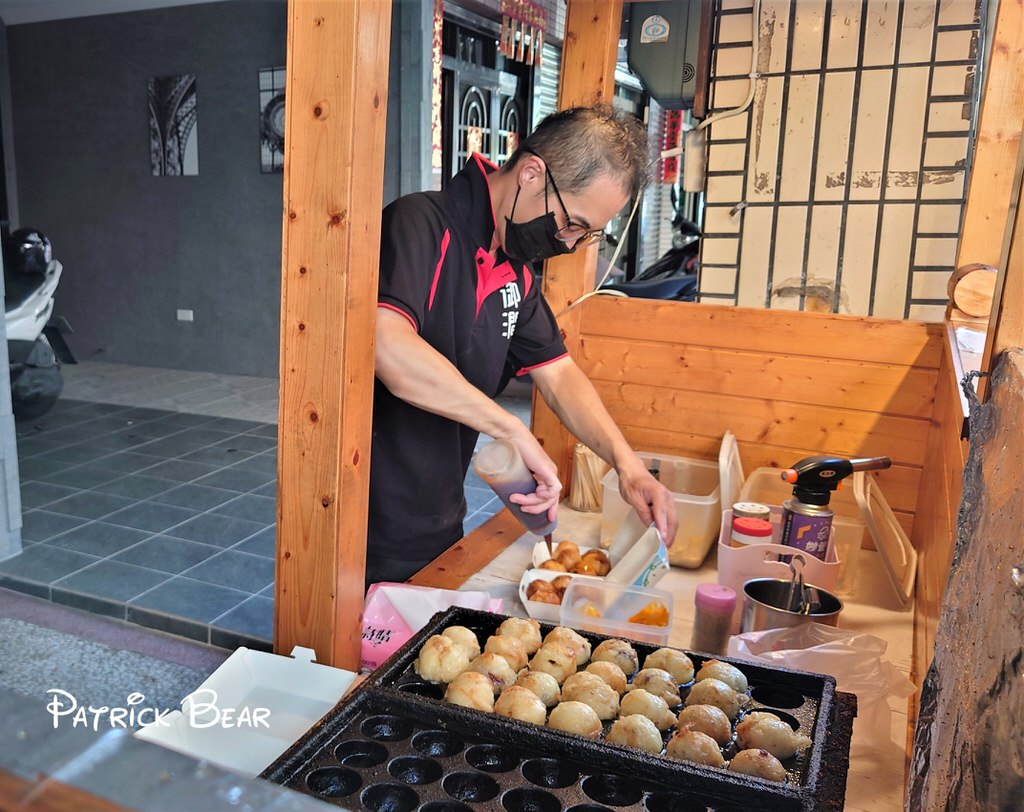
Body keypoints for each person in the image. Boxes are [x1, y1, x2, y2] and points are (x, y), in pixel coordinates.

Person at [368, 104, 678, 586]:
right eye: (572, 223)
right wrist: (512, 430)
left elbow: (557, 372)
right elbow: (387, 346)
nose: (571, 243)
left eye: (588, 233)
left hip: (440, 514)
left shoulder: (514, 268)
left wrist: (628, 465)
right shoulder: (420, 224)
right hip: (368, 518)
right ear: (533, 173)